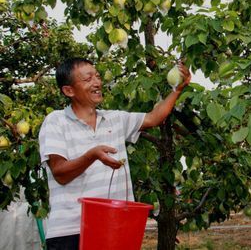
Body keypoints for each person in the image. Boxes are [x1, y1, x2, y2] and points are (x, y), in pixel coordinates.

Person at [38, 57, 191, 250]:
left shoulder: (114, 119)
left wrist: (177, 89)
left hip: (116, 228)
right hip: (72, 232)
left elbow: (154, 118)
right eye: (88, 79)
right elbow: (60, 173)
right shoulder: (56, 121)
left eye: (98, 76)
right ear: (68, 90)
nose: (97, 82)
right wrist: (92, 155)